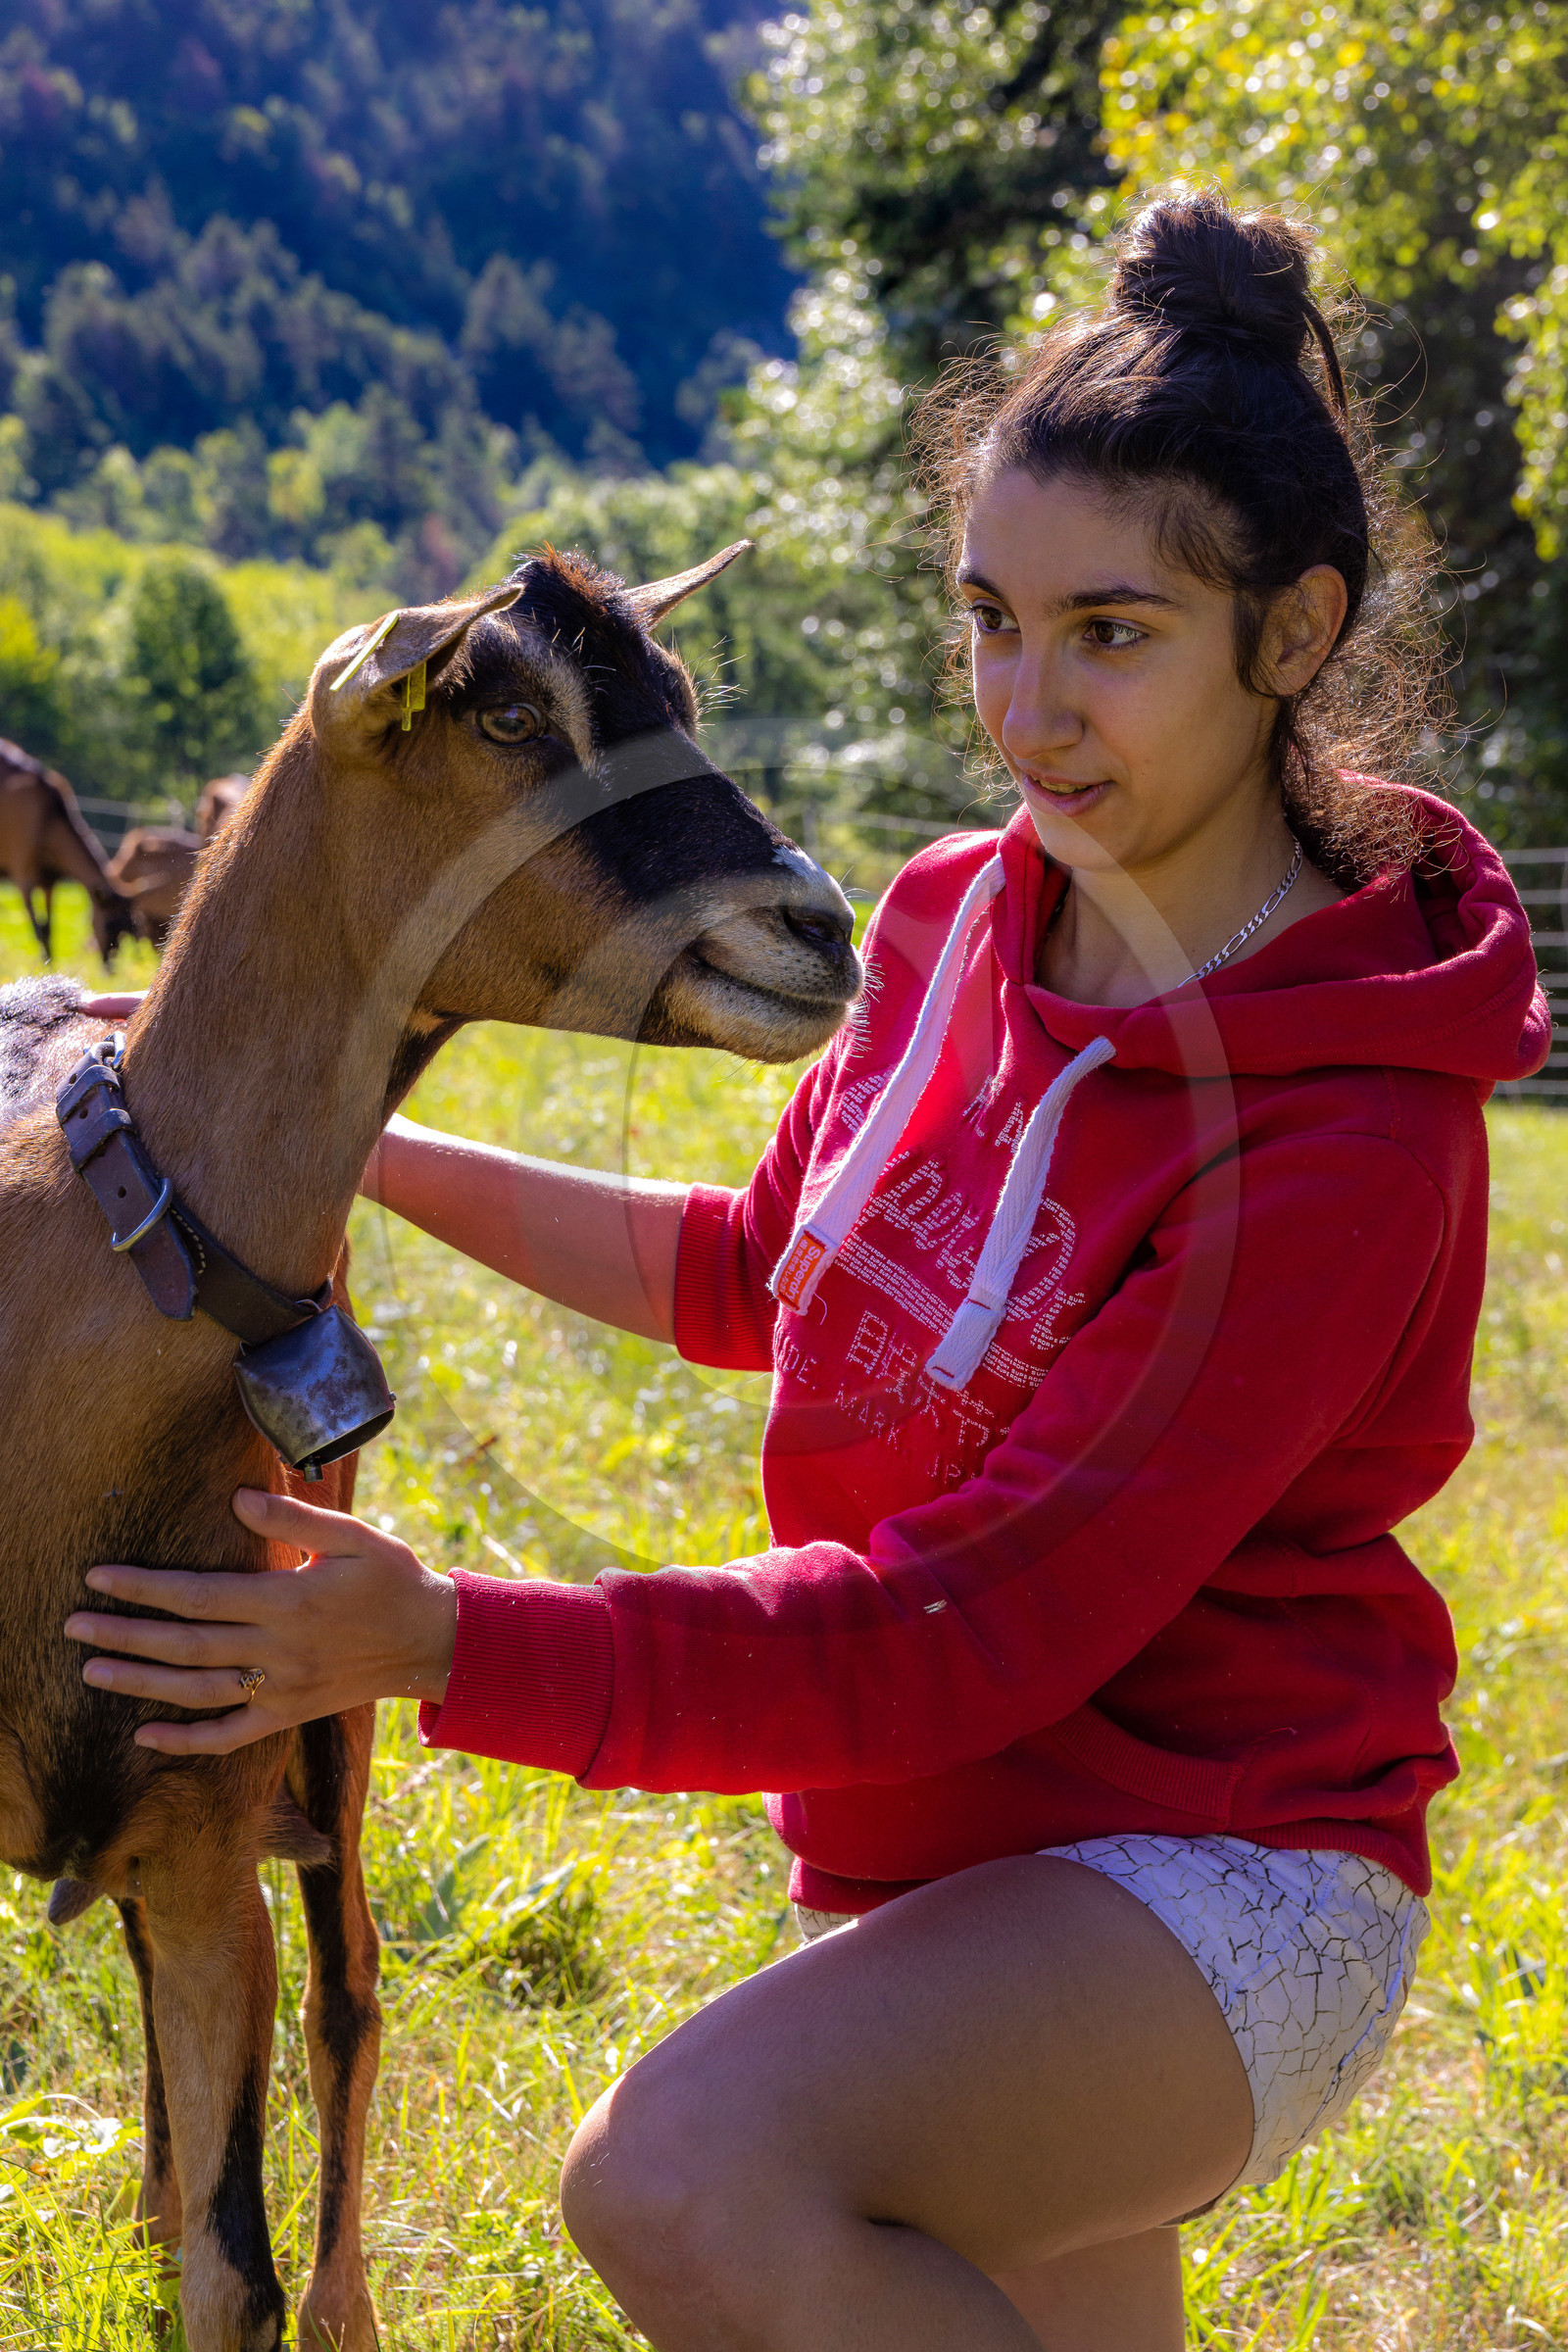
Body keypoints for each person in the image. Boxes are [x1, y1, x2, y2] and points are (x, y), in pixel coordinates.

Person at [67, 191, 1547, 2351]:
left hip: (1213, 1879)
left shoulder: (1345, 1139)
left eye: (1112, 634)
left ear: (1293, 632)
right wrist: (335, 1135)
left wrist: (443, 1642)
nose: (1026, 707)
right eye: (991, 621)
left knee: (679, 2180)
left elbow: (966, 1625)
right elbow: (757, 1269)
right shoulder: (958, 914)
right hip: (955, 1881)